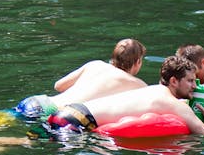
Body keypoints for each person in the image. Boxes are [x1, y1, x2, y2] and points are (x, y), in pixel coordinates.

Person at [49, 55, 204, 135]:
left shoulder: (150, 90)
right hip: (79, 121)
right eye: (190, 81)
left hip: (70, 112)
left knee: (30, 141)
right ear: (173, 81)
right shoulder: (173, 103)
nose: (194, 86)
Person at [14, 39, 149, 121]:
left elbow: (58, 86)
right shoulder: (137, 84)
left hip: (38, 101)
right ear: (137, 62)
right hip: (55, 112)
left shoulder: (95, 64)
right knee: (19, 141)